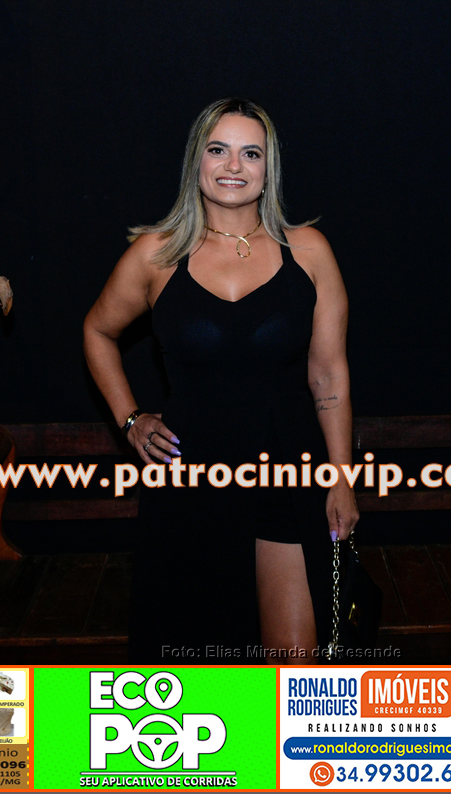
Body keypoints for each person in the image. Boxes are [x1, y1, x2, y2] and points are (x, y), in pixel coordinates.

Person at [83, 97, 357, 664]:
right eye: (218, 150)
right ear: (198, 162)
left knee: (296, 662)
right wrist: (130, 419)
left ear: (268, 168)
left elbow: (328, 372)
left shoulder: (308, 251)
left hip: (287, 467)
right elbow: (97, 331)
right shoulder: (157, 254)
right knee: (200, 654)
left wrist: (340, 477)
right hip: (190, 474)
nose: (233, 165)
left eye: (250, 153)